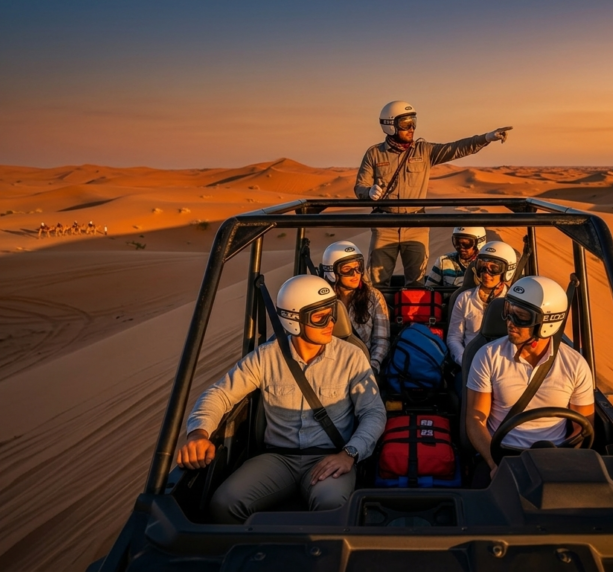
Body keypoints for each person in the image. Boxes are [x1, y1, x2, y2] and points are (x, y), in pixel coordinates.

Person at [176, 275, 386, 523]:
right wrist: (198, 433)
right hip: (278, 458)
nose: (331, 322)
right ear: (293, 320)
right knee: (224, 504)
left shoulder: (351, 356)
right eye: (319, 317)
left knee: (332, 507)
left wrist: (350, 453)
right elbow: (220, 393)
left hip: (330, 456)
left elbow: (373, 412)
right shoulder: (266, 357)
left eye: (332, 314)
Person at [355, 101, 512, 288]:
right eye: (405, 124)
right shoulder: (374, 154)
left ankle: (413, 318)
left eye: (413, 122)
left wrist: (486, 138)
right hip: (384, 225)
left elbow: (456, 148)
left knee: (416, 282)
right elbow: (360, 186)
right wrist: (369, 192)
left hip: (416, 225)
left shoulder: (424, 151)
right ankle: (379, 317)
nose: (411, 128)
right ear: (390, 126)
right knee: (377, 283)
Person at [464, 275, 594, 486]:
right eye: (508, 311)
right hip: (502, 455)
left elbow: (584, 426)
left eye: (521, 317)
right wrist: (495, 463)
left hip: (556, 457)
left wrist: (568, 462)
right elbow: (475, 419)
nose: (509, 322)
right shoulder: (488, 355)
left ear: (547, 322)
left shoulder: (575, 365)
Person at [320, 240, 390, 373]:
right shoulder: (321, 299)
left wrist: (372, 367)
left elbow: (381, 340)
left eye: (359, 267)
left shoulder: (374, 297)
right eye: (347, 269)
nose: (355, 274)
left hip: (362, 365)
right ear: (331, 271)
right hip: (327, 366)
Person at [447, 240, 517, 366]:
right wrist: (465, 361)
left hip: (504, 365)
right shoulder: (464, 298)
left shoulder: (514, 303)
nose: (486, 273)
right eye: (482, 267)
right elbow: (453, 337)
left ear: (507, 270)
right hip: (469, 362)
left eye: (494, 268)